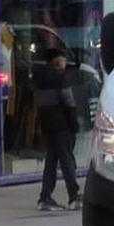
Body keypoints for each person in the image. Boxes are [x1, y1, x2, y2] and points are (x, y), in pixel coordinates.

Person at [32, 47, 82, 211]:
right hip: (62, 125)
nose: (65, 63)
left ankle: (45, 197)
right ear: (57, 62)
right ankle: (74, 196)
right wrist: (74, 123)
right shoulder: (60, 79)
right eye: (62, 60)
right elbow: (69, 102)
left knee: (51, 161)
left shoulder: (39, 79)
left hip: (47, 125)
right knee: (67, 160)